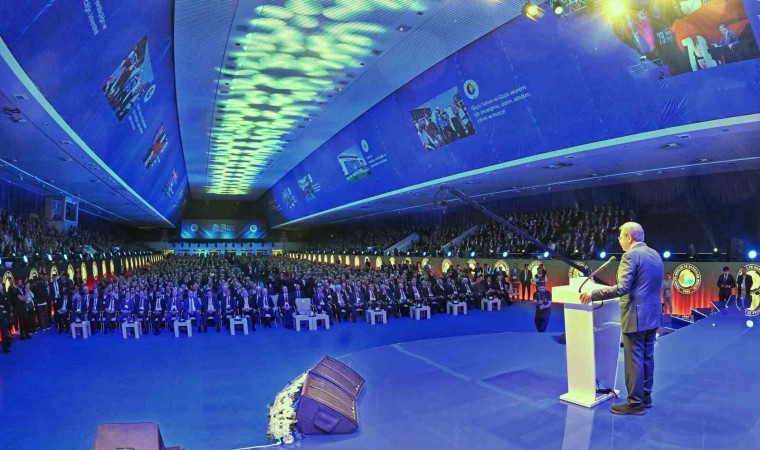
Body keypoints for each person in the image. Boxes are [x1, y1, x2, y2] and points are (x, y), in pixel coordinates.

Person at [580, 222, 663, 415]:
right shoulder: (655, 254)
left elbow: (622, 288)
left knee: (634, 360)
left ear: (629, 237)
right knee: (647, 357)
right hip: (652, 315)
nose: (619, 240)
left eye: (620, 237)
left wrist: (593, 294)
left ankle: (634, 403)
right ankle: (645, 397)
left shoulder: (630, 255)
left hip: (635, 315)